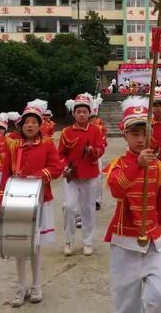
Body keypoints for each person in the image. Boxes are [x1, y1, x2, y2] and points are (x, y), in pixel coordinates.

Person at [104, 96, 161, 313]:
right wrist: (137, 165)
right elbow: (117, 190)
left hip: (153, 242)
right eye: (134, 133)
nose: (141, 139)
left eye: (145, 133)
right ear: (125, 135)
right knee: (127, 305)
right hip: (124, 243)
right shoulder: (117, 165)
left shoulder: (158, 166)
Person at [0, 99, 63, 307]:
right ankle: (21, 285)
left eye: (34, 122)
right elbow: (5, 173)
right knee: (18, 244)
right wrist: (1, 200)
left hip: (40, 200)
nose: (30, 125)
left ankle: (36, 285)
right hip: (15, 200)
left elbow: (56, 167)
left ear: (39, 125)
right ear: (21, 125)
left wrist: (40, 176)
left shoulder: (47, 144)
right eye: (27, 122)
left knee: (34, 245)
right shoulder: (13, 145)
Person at [59, 93, 105, 257]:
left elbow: (101, 150)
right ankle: (68, 241)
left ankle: (87, 242)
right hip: (72, 177)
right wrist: (64, 166)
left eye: (84, 111)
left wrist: (92, 151)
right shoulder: (66, 132)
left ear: (89, 113)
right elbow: (61, 154)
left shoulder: (95, 131)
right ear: (73, 113)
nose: (81, 114)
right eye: (78, 111)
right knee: (69, 208)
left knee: (88, 210)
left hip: (90, 176)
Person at [89, 93, 107, 210]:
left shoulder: (100, 126)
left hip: (97, 154)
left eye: (94, 117)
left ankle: (97, 200)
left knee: (98, 176)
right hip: (84, 156)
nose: (93, 119)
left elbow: (104, 142)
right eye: (91, 117)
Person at [0, 112, 10, 200]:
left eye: (2, 129)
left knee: (2, 188)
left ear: (5, 130)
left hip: (3, 168)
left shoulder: (9, 140)